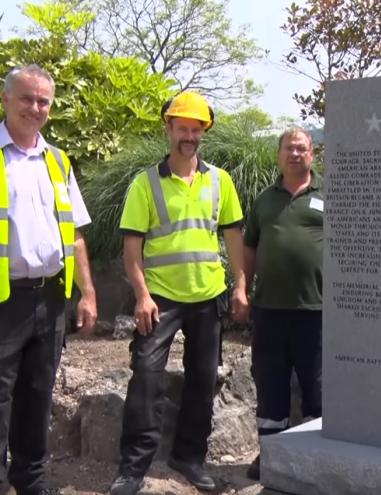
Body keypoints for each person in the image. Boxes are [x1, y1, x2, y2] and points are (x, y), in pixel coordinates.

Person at [109, 91, 248, 495]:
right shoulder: (145, 184)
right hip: (160, 300)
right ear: (168, 128)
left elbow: (234, 237)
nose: (189, 135)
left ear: (204, 131)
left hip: (207, 297)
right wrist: (141, 295)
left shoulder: (219, 180)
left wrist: (240, 285)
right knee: (147, 378)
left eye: (196, 128)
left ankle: (189, 457)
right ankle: (133, 467)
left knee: (203, 381)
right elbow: (131, 250)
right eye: (182, 127)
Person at [0, 64, 97, 495]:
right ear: (6, 99)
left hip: (51, 299)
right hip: (4, 300)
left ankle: (31, 476)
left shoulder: (57, 160)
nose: (35, 107)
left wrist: (88, 293)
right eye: (27, 98)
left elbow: (74, 232)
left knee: (39, 394)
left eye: (43, 101)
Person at [244, 127, 323, 481]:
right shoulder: (264, 199)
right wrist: (241, 289)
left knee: (317, 389)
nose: (295, 154)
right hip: (269, 311)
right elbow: (249, 246)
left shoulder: (331, 194)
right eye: (289, 148)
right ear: (278, 155)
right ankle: (272, 458)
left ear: (312, 155)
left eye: (302, 149)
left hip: (317, 312)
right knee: (270, 386)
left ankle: (315, 461)